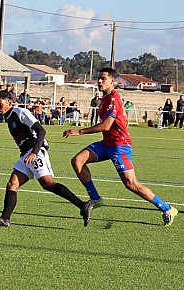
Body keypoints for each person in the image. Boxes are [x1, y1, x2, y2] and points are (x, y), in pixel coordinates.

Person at [64, 67, 177, 226]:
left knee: (131, 184)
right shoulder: (104, 98)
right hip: (107, 144)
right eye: (99, 78)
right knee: (77, 161)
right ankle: (95, 198)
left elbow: (106, 126)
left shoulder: (113, 99)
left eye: (103, 78)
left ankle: (167, 208)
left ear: (112, 81)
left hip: (119, 146)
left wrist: (80, 131)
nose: (99, 81)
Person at [0, 90, 92, 227]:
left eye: (0, 104)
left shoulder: (20, 113)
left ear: (9, 102)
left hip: (35, 152)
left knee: (48, 184)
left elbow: (41, 130)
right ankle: (5, 219)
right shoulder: (9, 116)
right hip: (26, 154)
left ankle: (83, 205)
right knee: (12, 184)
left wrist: (34, 152)